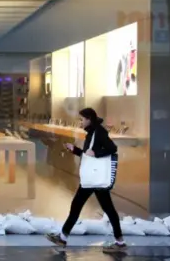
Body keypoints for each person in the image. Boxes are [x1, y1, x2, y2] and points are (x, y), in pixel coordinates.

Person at [46, 107, 127, 253]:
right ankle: (119, 242)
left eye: (82, 119)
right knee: (103, 208)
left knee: (84, 207)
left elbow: (112, 148)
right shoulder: (92, 133)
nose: (80, 122)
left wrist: (97, 153)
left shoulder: (99, 132)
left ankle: (63, 238)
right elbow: (87, 155)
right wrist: (75, 150)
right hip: (93, 178)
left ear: (89, 119)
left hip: (93, 179)